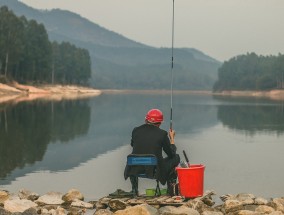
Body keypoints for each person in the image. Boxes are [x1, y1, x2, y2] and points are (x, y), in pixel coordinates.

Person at [124, 108, 180, 195]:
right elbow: (171, 154)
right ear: (160, 123)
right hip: (154, 170)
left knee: (136, 158)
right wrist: (172, 138)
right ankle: (170, 190)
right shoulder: (162, 134)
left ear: (146, 119)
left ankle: (134, 190)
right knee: (176, 158)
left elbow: (133, 145)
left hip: (135, 168)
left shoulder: (136, 130)